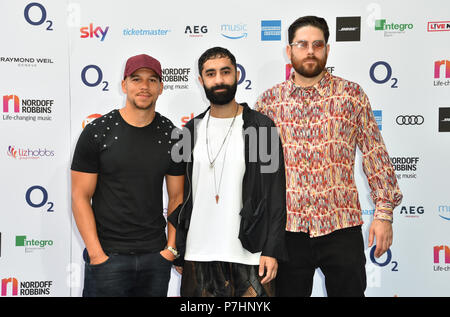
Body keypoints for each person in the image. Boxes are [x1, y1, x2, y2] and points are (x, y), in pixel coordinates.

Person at [255, 16, 403, 297]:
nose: (310, 51)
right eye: (302, 44)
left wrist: (383, 214)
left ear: (327, 50)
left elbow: (375, 154)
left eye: (317, 44)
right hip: (288, 231)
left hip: (341, 227)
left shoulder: (351, 95)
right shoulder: (268, 102)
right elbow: (258, 171)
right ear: (289, 51)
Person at [168, 47, 287, 297]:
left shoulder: (261, 128)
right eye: (211, 74)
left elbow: (275, 196)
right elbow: (179, 197)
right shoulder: (188, 132)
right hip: (197, 254)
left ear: (237, 75)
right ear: (201, 80)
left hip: (250, 255)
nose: (219, 80)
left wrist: (271, 249)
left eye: (225, 72)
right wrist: (179, 247)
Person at [71, 54, 185, 297]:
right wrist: (96, 254)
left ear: (161, 87)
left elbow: (177, 197)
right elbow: (80, 196)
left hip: (155, 258)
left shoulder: (173, 136)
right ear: (124, 85)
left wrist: (171, 249)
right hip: (107, 257)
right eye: (136, 79)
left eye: (152, 80)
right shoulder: (97, 132)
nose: (144, 86)